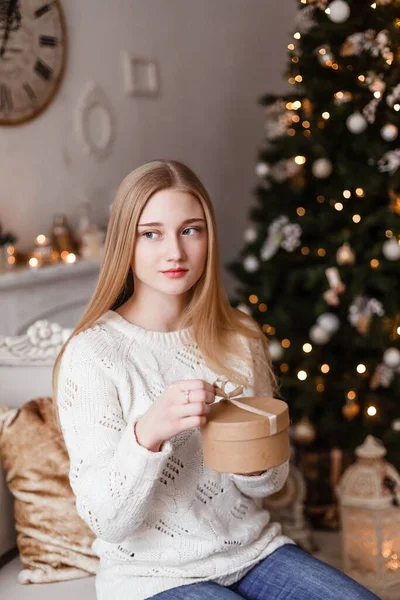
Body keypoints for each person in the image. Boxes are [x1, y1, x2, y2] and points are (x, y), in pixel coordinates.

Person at [53, 160, 379, 600]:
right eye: (151, 233)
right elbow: (108, 521)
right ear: (124, 244)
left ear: (208, 237)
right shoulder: (92, 354)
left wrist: (252, 454)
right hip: (151, 577)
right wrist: (150, 431)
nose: (175, 252)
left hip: (253, 551)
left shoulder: (238, 335)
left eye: (191, 230)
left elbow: (272, 482)